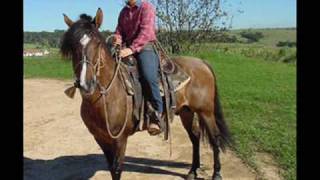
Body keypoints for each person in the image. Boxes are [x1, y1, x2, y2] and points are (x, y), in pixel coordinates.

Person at [113, 0, 163, 135]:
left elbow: (146, 32)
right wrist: (117, 39)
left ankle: (157, 115)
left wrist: (131, 49)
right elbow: (119, 31)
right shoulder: (123, 12)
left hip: (145, 47)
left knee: (148, 76)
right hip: (127, 47)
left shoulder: (147, 7)